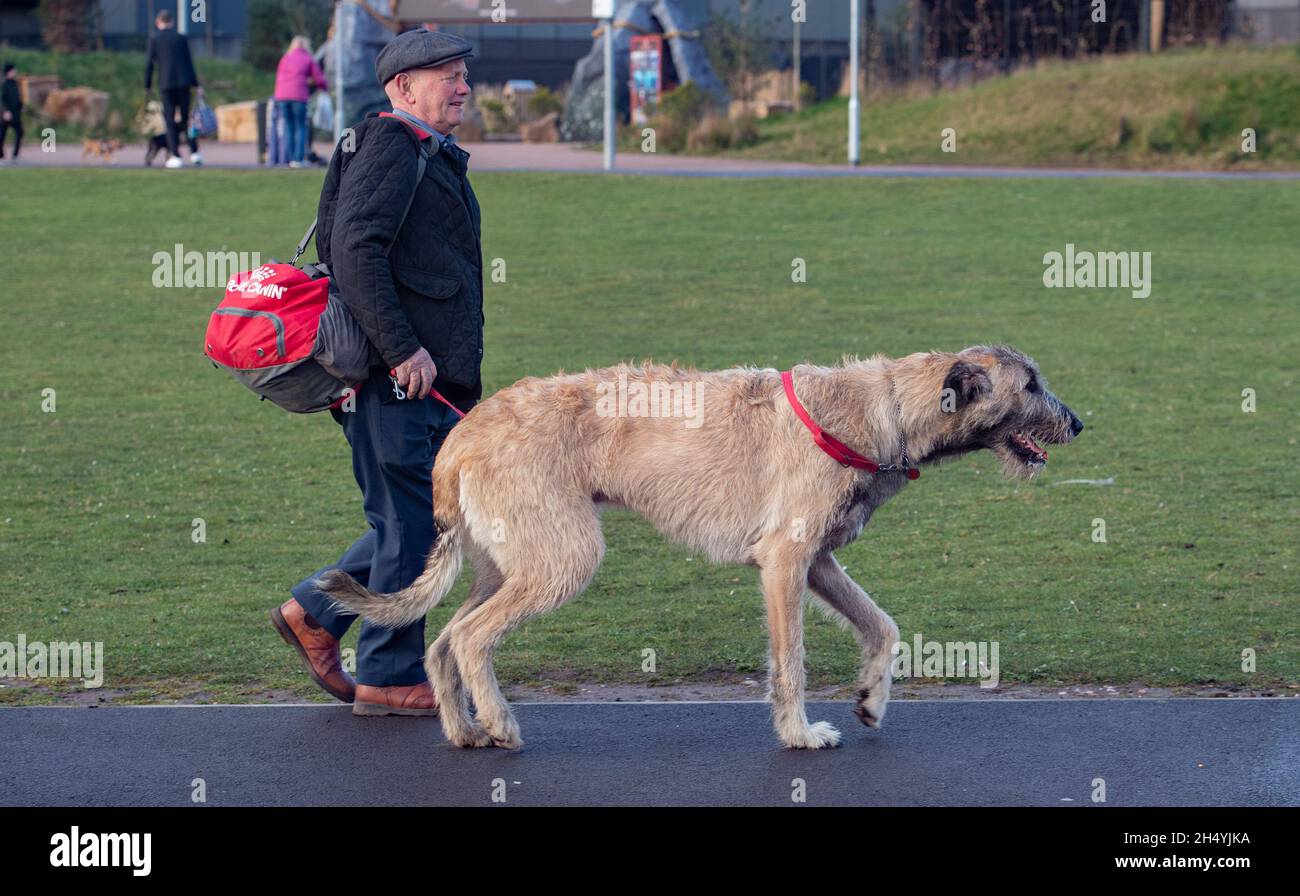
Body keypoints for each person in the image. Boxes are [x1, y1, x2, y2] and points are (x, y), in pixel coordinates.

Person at [272, 29, 485, 717]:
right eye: (446, 75)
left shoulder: (411, 147)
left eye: (462, 74)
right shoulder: (393, 144)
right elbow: (355, 251)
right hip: (392, 379)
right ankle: (389, 674)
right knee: (411, 526)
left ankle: (314, 610)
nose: (462, 85)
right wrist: (401, 349)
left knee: (415, 519)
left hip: (415, 378)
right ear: (403, 88)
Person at [145, 9, 202, 168]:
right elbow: (189, 63)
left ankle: (175, 155)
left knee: (169, 121)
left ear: (158, 22)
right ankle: (194, 152)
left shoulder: (154, 39)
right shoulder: (181, 38)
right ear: (172, 22)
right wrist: (196, 85)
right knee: (186, 120)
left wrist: (147, 85)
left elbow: (149, 63)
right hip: (184, 84)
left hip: (166, 85)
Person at [274, 35, 328, 168]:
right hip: (298, 97)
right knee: (300, 127)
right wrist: (325, 88)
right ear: (306, 46)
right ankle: (298, 160)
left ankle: (289, 158)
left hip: (281, 97)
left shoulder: (285, 58)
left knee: (288, 127)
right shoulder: (307, 58)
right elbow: (319, 79)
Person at [1, 62, 21, 164]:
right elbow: (2, 100)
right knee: (1, 135)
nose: (15, 72)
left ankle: (15, 156)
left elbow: (17, 98)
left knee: (19, 133)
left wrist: (21, 106)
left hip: (15, 114)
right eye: (13, 71)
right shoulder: (3, 84)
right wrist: (5, 111)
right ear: (8, 72)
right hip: (5, 115)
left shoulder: (14, 84)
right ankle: (1, 156)